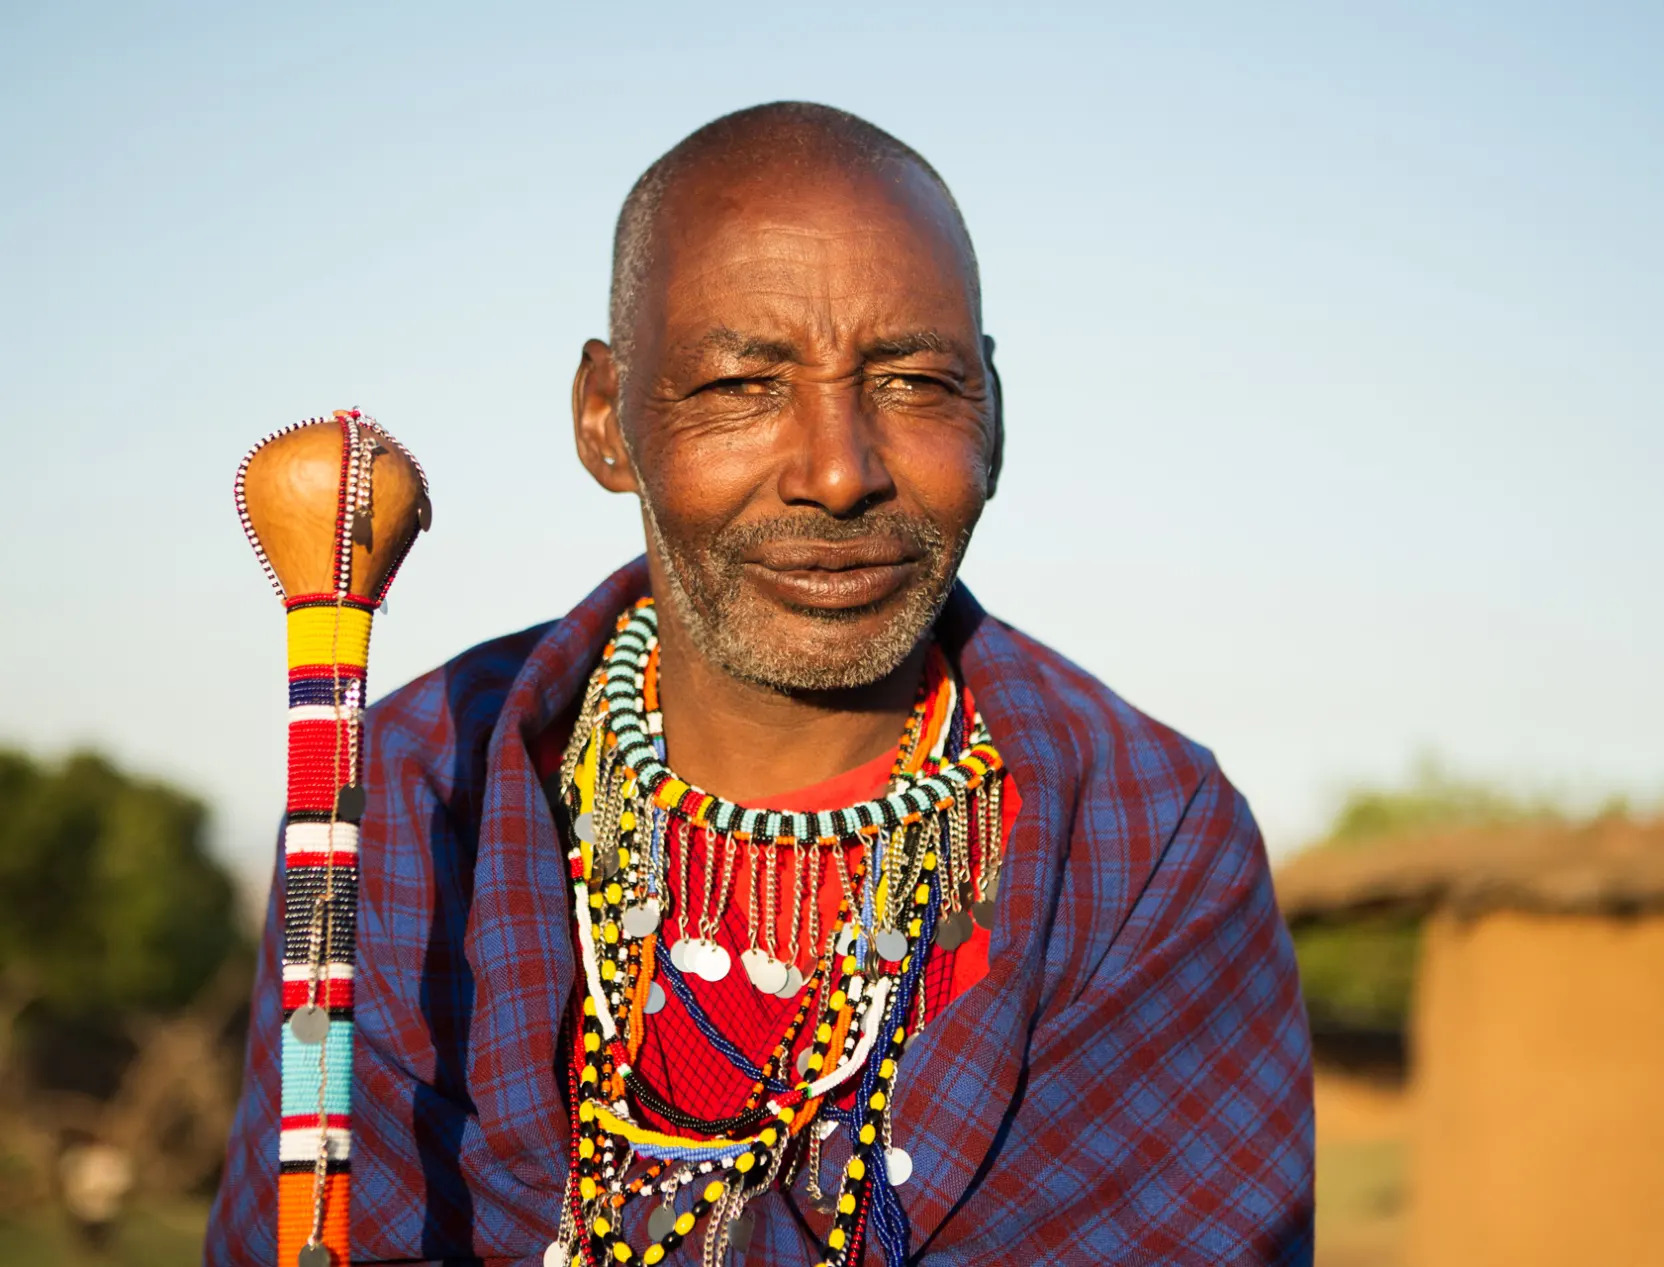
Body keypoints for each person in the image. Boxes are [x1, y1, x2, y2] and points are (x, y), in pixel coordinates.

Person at [210, 101, 1313, 1266]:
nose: (838, 471)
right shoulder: (407, 796)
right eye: (742, 384)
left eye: (914, 382)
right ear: (605, 417)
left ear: (993, 418)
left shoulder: (1146, 847)